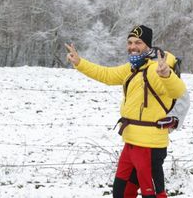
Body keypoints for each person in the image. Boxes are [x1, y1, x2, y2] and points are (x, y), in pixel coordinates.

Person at [65, 25, 186, 198]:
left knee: (151, 195)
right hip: (130, 143)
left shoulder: (154, 69)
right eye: (129, 42)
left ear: (148, 45)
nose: (132, 46)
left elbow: (177, 91)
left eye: (138, 42)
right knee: (122, 193)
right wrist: (80, 63)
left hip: (149, 146)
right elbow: (106, 74)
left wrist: (167, 75)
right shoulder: (133, 68)